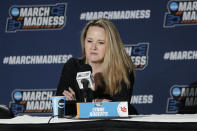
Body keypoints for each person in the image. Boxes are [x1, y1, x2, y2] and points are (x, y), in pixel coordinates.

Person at [56, 18, 137, 114]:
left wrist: (77, 104)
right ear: (84, 42)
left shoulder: (122, 69)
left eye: (100, 42)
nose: (93, 47)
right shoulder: (73, 66)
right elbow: (61, 107)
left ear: (111, 46)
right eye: (89, 41)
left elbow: (122, 109)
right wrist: (101, 103)